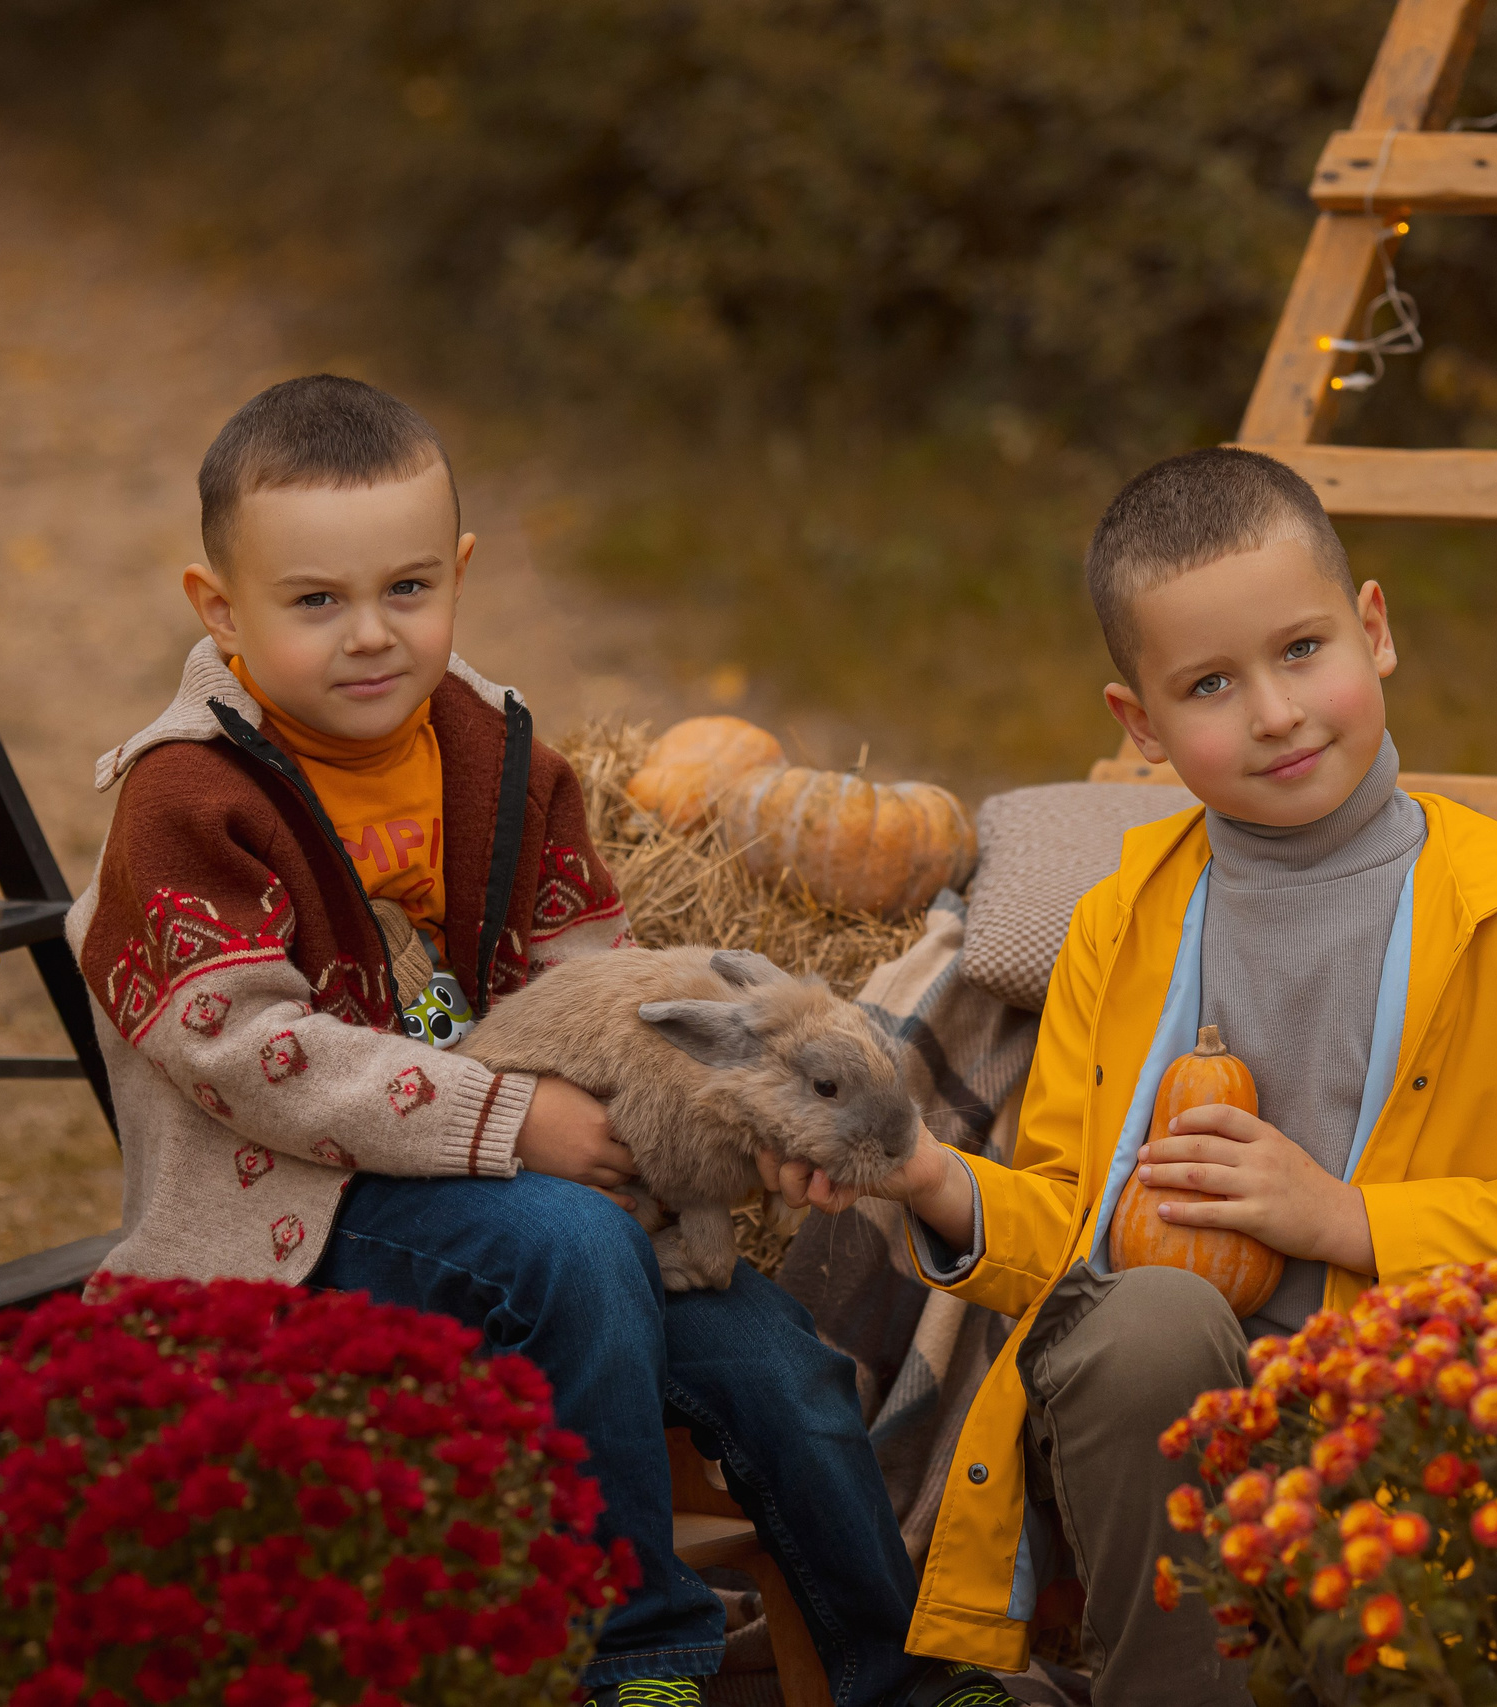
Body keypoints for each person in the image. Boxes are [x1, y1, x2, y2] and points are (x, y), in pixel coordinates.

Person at [70, 375, 1010, 1707]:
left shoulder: (498, 753)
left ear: (456, 572)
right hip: (305, 1224)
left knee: (775, 1358)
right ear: (219, 608)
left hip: (534, 1196)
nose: (371, 635)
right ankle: (638, 1652)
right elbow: (246, 1052)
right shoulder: (189, 796)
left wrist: (735, 1113)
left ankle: (897, 1664)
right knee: (576, 1247)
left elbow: (599, 985)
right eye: (315, 600)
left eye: (407, 588)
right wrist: (511, 1124)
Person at [771, 446, 1497, 1704]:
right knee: (1148, 1319)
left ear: (1374, 631)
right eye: (1209, 683)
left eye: (1303, 650)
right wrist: (925, 1173)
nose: (1275, 712)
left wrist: (1340, 1218)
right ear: (1139, 726)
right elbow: (1075, 1233)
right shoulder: (1122, 920)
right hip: (1154, 1412)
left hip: (1408, 1392)